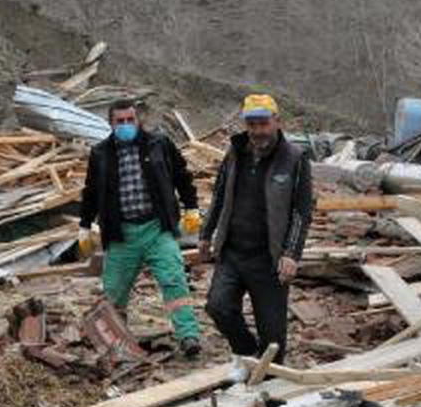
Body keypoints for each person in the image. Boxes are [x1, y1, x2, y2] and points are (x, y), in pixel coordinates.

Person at [79, 100, 204, 356]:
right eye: (119, 121)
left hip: (157, 228)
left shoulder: (159, 144)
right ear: (111, 123)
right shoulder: (101, 153)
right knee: (114, 292)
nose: (125, 125)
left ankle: (188, 335)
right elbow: (90, 192)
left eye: (130, 120)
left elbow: (182, 175)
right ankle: (116, 342)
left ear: (138, 120)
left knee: (173, 280)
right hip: (121, 233)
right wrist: (84, 225)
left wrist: (191, 206)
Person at [199, 94, 313, 364]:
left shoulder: (294, 158)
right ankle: (246, 352)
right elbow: (219, 196)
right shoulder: (235, 152)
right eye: (252, 125)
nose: (257, 131)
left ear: (276, 121)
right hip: (233, 252)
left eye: (263, 124)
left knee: (273, 338)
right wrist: (206, 234)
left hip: (269, 259)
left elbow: (302, 211)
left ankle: (271, 386)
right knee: (218, 307)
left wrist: (291, 253)